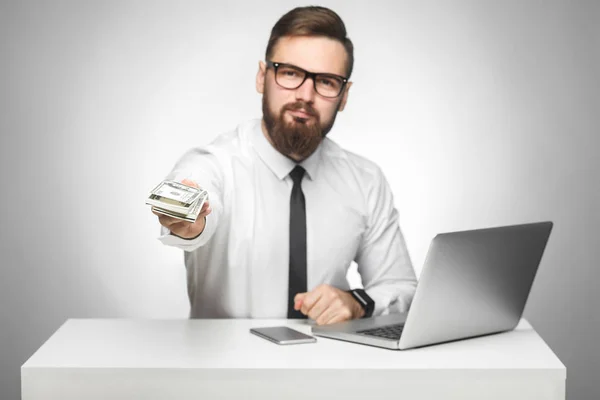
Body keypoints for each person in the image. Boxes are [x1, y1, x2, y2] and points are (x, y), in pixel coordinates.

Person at [153, 6, 417, 325]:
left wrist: (358, 301)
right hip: (228, 369)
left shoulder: (365, 180)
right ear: (263, 78)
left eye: (327, 82)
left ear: (344, 96)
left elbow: (402, 287)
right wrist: (183, 214)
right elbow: (186, 192)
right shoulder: (216, 162)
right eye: (290, 73)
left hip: (330, 364)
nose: (305, 95)